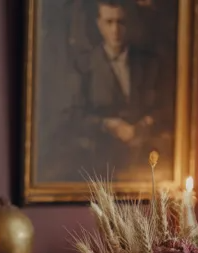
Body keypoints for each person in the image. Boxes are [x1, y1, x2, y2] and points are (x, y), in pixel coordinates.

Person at [59, 0, 168, 179]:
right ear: (99, 24)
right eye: (109, 22)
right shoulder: (84, 66)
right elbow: (73, 116)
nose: (115, 30)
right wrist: (108, 125)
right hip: (99, 162)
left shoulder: (150, 64)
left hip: (145, 163)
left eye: (121, 22)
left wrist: (146, 123)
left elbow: (167, 109)